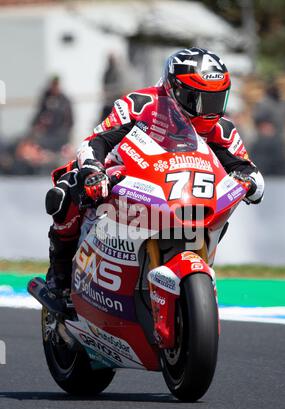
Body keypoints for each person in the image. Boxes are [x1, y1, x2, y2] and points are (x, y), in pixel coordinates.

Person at [45, 48, 265, 296]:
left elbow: (246, 167)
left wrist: (250, 182)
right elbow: (95, 141)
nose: (209, 110)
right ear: (176, 90)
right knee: (64, 192)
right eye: (201, 100)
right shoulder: (141, 104)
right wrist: (93, 170)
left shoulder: (220, 128)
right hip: (125, 178)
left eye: (217, 99)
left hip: (185, 194)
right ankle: (59, 278)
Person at [32, 76, 74, 153]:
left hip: (59, 135)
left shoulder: (64, 101)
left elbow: (69, 121)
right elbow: (38, 116)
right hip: (45, 134)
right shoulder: (45, 99)